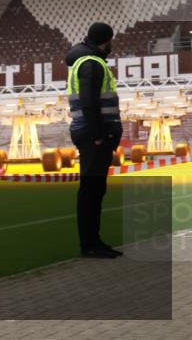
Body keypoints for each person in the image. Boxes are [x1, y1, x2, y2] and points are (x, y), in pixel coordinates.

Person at [65, 21, 123, 259]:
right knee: (91, 190)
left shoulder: (86, 61)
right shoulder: (92, 63)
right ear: (106, 40)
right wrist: (98, 135)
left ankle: (94, 242)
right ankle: (89, 245)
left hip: (91, 134)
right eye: (111, 40)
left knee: (95, 189)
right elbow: (89, 102)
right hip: (93, 136)